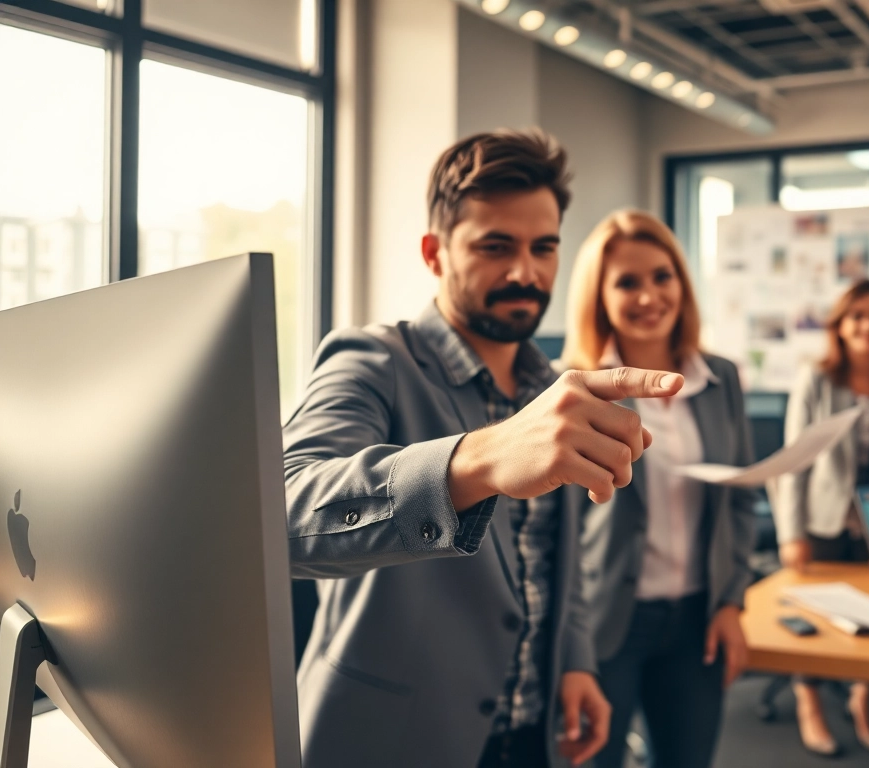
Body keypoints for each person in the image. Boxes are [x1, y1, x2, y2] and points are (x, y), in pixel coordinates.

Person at [282, 130, 684, 768]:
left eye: (543, 247)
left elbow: (556, 561)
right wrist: (481, 459)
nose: (526, 271)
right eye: (496, 247)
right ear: (435, 253)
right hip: (393, 739)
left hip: (532, 734)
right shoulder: (372, 359)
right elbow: (284, 516)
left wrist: (575, 662)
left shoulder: (552, 386)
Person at [561, 210, 755, 768]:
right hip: (606, 620)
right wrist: (568, 644)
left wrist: (731, 600)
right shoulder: (573, 389)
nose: (649, 296)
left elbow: (740, 498)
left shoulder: (722, 379)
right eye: (627, 282)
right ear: (599, 296)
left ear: (682, 284)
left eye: (661, 277)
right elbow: (558, 529)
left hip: (698, 619)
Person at [772, 279, 869, 757]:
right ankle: (811, 702)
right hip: (821, 521)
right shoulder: (817, 380)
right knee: (815, 620)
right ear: (840, 326)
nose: (868, 325)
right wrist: (790, 533)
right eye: (857, 315)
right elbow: (794, 462)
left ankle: (863, 698)